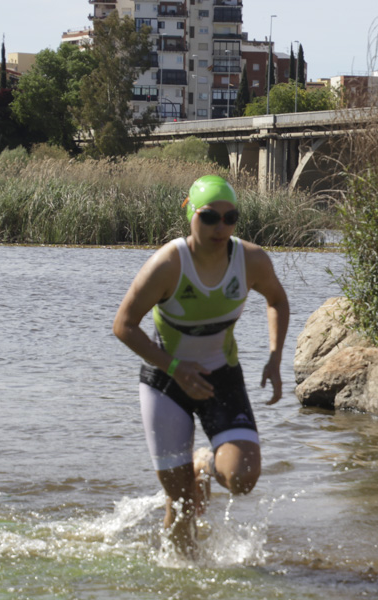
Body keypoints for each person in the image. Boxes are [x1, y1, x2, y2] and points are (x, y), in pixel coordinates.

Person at [112, 175, 290, 555]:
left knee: (242, 478)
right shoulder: (168, 264)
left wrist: (275, 358)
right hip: (166, 381)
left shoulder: (251, 260)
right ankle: (183, 580)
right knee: (182, 506)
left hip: (221, 377)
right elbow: (124, 326)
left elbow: (277, 300)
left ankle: (204, 463)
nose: (220, 227)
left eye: (230, 218)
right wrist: (176, 368)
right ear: (190, 214)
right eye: (209, 217)